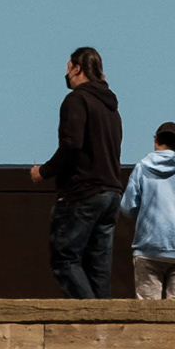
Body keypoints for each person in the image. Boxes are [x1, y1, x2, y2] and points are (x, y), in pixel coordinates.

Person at [29, 46, 125, 299]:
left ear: (77, 68)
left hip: (83, 191)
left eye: (68, 68)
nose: (66, 74)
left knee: (65, 258)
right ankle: (104, 319)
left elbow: (71, 145)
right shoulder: (112, 109)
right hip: (111, 192)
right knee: (98, 266)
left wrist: (43, 171)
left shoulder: (76, 100)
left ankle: (90, 314)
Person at [119, 121, 175, 300]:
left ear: (156, 139)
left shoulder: (141, 168)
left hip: (148, 248)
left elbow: (127, 207)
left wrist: (144, 215)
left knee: (149, 311)